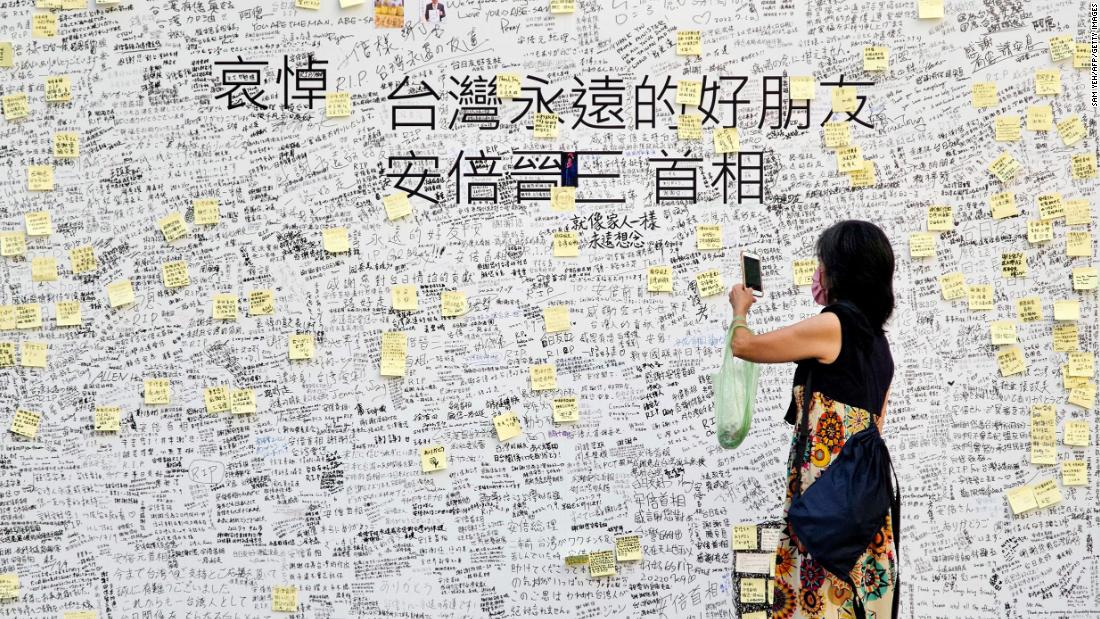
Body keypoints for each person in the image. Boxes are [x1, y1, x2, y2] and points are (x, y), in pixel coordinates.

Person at [727, 219, 897, 619]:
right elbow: (877, 426)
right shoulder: (880, 344)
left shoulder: (833, 324)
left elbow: (744, 345)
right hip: (861, 500)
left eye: (823, 264)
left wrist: (740, 308)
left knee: (815, 596)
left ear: (842, 270)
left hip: (824, 498)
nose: (818, 273)